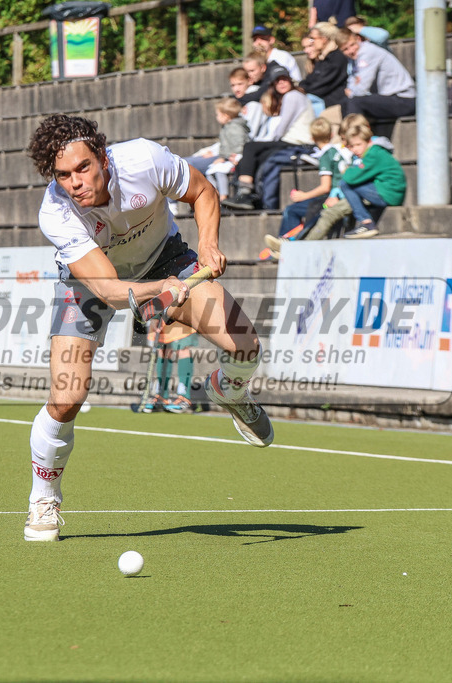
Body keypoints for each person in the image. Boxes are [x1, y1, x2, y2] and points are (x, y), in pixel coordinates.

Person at [23, 114, 274, 541]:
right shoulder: (57, 212)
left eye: (83, 168)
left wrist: (209, 244)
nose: (75, 182)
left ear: (102, 157)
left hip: (166, 257)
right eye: (63, 176)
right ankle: (43, 498)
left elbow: (203, 191)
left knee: (246, 347)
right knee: (67, 398)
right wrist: (159, 290)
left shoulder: (144, 158)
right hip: (89, 283)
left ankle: (228, 389)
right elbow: (110, 290)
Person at [222, 70, 316, 211]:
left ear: (290, 80)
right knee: (256, 155)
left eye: (284, 79)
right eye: (277, 81)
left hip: (297, 142)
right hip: (294, 141)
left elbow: (283, 127)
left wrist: (266, 143)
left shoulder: (292, 96)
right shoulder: (294, 96)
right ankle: (248, 196)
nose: (281, 83)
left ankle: (245, 193)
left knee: (250, 147)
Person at [263, 116, 349, 257]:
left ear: (312, 138)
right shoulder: (337, 151)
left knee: (292, 210)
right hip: (340, 193)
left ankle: (285, 246)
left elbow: (325, 187)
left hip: (332, 196)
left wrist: (304, 196)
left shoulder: (326, 156)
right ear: (332, 134)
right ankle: (285, 244)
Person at [334, 119, 407, 238]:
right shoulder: (375, 152)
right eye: (351, 146)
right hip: (388, 191)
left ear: (368, 141)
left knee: (345, 184)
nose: (354, 150)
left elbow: (349, 178)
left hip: (389, 194)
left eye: (358, 145)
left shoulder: (373, 154)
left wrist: (346, 170)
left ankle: (366, 223)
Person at [340, 29, 417, 121]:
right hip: (388, 98)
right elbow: (352, 84)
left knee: (355, 102)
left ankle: (356, 134)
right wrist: (353, 89)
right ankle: (350, 133)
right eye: (345, 49)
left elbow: (361, 89)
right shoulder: (354, 59)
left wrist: (352, 91)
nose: (351, 50)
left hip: (404, 99)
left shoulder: (368, 52)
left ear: (358, 39)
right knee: (345, 102)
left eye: (352, 45)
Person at [140, 319, 200, 413]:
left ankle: (184, 397)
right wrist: (155, 317)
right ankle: (162, 396)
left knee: (182, 348)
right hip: (162, 314)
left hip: (180, 312)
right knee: (163, 350)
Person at [203, 98, 250, 201]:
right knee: (210, 171)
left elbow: (240, 145)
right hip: (228, 157)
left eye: (218, 114)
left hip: (236, 157)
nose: (216, 117)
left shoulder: (234, 128)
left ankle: (223, 196)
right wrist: (222, 156)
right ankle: (213, 194)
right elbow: (225, 146)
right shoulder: (227, 127)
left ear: (226, 116)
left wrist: (227, 157)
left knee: (219, 171)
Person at [298, 24, 350, 116]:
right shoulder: (324, 57)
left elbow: (322, 85)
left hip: (330, 103)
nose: (311, 42)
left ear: (324, 39)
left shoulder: (336, 58)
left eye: (312, 38)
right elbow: (310, 79)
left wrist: (301, 90)